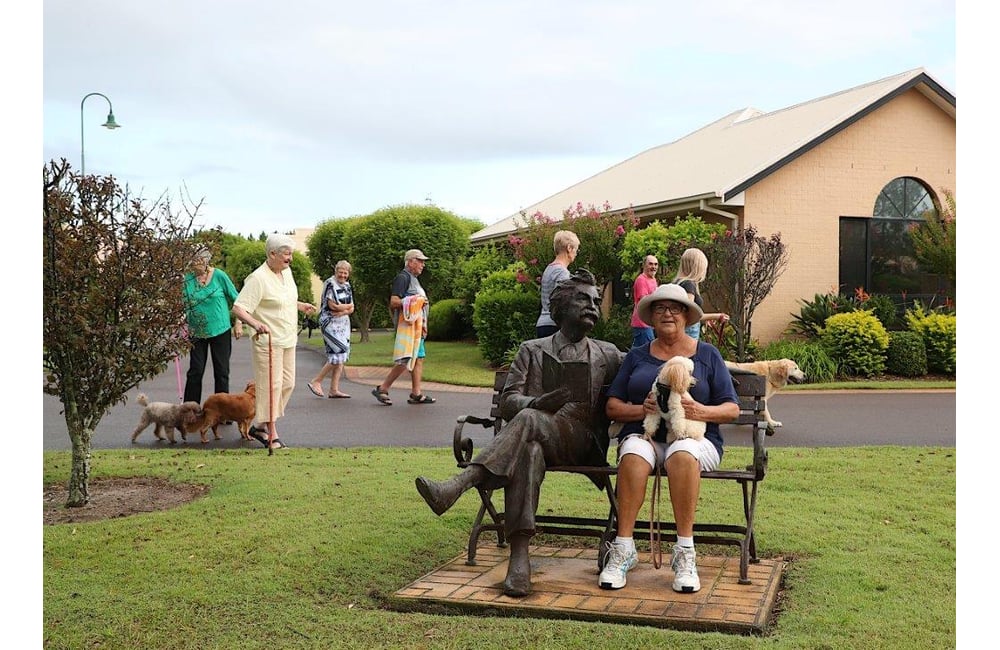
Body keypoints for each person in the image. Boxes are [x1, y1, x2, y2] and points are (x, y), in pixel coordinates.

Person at [414, 269, 623, 598]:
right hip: (541, 439)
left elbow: (650, 365)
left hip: (582, 443)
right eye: (584, 299)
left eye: (596, 301)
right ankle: (519, 560)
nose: (593, 306)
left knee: (527, 419)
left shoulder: (608, 353)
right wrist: (539, 401)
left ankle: (460, 484)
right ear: (561, 307)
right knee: (529, 450)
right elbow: (510, 400)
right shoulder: (532, 349)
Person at [599, 283, 739, 593]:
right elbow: (612, 405)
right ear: (650, 316)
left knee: (682, 454)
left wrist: (700, 410)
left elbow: (731, 409)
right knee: (633, 454)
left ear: (688, 316)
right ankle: (623, 548)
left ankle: (685, 554)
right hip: (645, 434)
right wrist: (641, 409)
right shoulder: (637, 357)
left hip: (695, 439)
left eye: (675, 308)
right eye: (660, 308)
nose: (667, 313)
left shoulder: (707, 355)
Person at [231, 233, 317, 451]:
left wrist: (301, 305)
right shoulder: (258, 278)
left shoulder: (286, 273)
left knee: (288, 384)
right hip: (267, 341)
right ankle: (272, 432)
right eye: (286, 254)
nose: (290, 258)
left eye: (291, 253)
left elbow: (283, 300)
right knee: (271, 385)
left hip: (288, 338)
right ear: (272, 254)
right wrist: (255, 323)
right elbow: (239, 308)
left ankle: (260, 425)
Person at [371, 249, 435, 406]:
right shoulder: (403, 277)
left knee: (419, 358)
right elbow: (394, 302)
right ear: (410, 261)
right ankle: (383, 388)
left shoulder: (413, 279)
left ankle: (416, 393)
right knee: (406, 359)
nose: (423, 264)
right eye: (420, 261)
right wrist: (416, 301)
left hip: (416, 328)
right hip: (409, 329)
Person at [181, 246, 242, 403]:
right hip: (196, 332)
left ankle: (222, 409)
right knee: (196, 370)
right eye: (192, 261)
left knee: (221, 371)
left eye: (197, 261)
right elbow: (181, 304)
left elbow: (238, 299)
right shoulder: (186, 279)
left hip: (221, 329)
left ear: (205, 261)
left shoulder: (219, 276)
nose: (194, 264)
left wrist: (239, 322)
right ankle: (190, 410)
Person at [307, 260, 355, 399]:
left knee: (342, 357)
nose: (343, 275)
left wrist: (344, 311)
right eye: (340, 272)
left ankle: (334, 389)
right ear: (336, 271)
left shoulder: (347, 285)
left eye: (345, 273)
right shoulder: (330, 283)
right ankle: (317, 380)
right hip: (330, 322)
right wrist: (345, 308)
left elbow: (352, 307)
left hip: (343, 323)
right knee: (339, 352)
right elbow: (332, 306)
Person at [671, 247, 729, 340]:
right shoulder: (688, 284)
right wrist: (717, 316)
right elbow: (689, 315)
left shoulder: (677, 282)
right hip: (688, 333)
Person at [535, 230, 579, 338]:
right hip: (555, 326)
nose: (576, 254)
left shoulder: (548, 269)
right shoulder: (562, 272)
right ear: (569, 248)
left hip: (542, 323)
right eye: (576, 250)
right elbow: (562, 301)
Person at [629, 254, 659, 348]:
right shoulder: (641, 280)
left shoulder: (653, 279)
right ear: (644, 265)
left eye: (655, 264)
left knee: (639, 352)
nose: (653, 267)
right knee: (648, 351)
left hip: (649, 323)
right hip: (642, 323)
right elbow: (644, 301)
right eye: (650, 264)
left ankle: (628, 362)